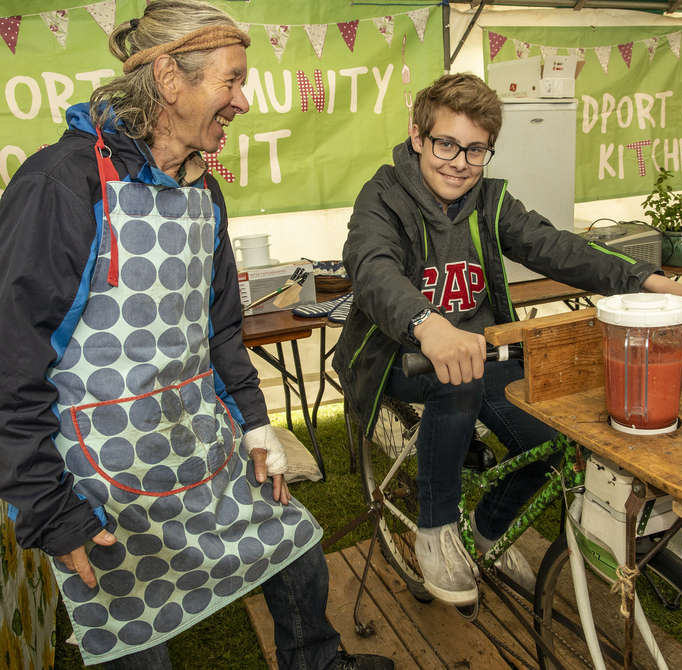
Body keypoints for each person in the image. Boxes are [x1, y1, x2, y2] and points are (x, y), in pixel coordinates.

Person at [0, 2, 393, 669]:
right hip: (105, 482)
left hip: (197, 448)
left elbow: (220, 330)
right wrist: (47, 507)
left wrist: (257, 424)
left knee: (294, 553)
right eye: (232, 79)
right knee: (140, 648)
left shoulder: (203, 193)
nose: (243, 99)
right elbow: (10, 363)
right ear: (169, 79)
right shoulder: (60, 186)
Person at [333, 73, 682, 607]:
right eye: (446, 144)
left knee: (554, 437)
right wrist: (428, 323)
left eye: (476, 150)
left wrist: (647, 279)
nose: (459, 162)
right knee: (454, 381)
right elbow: (371, 267)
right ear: (417, 136)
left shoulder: (489, 201)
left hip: (479, 352)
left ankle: (487, 531)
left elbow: (556, 247)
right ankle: (436, 530)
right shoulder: (383, 196)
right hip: (398, 353)